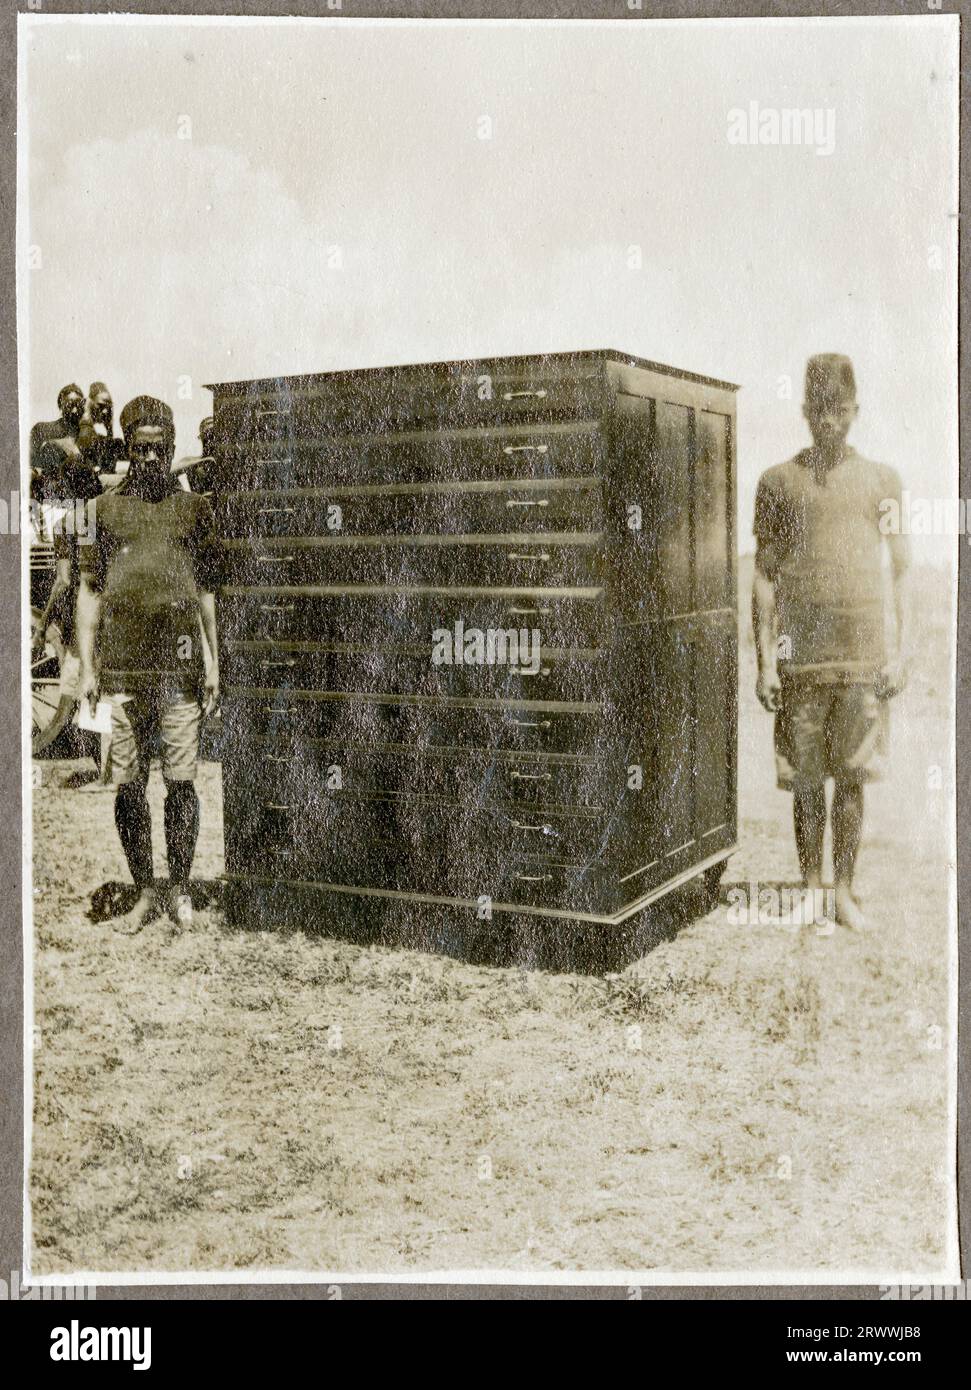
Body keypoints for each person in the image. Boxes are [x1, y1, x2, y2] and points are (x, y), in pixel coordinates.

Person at [752, 353, 912, 930]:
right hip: (802, 660)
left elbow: (900, 570)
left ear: (855, 412)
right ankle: (812, 888)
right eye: (819, 412)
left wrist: (903, 650)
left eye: (840, 412)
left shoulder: (882, 481)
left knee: (851, 777)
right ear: (804, 412)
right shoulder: (776, 483)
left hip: (863, 655)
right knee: (804, 781)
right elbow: (764, 576)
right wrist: (767, 662)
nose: (829, 423)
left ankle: (844, 890)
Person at [76, 396, 221, 934]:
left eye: (160, 450)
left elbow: (207, 591)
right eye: (141, 450)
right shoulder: (101, 511)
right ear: (128, 450)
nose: (152, 459)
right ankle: (143, 892)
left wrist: (212, 661)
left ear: (173, 448)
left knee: (181, 782)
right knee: (129, 785)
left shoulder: (194, 510)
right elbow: (89, 593)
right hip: (122, 672)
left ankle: (179, 890)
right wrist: (88, 669)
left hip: (180, 671)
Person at [29, 383, 85, 501]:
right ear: (61, 405)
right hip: (48, 491)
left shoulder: (86, 434)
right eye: (70, 405)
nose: (75, 410)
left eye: (78, 405)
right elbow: (31, 465)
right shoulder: (42, 429)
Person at [76, 382, 127, 475]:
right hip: (80, 456)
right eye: (100, 405)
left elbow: (110, 439)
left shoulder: (104, 411)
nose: (105, 411)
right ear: (90, 402)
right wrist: (86, 413)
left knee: (116, 443)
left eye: (108, 407)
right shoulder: (82, 414)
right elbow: (84, 439)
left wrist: (109, 426)